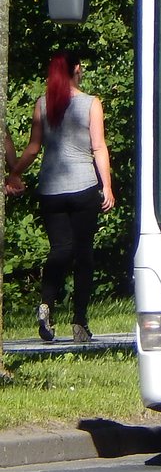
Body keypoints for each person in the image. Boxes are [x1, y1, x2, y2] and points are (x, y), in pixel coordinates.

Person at [12, 51, 116, 343]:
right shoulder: (91, 103)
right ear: (77, 70)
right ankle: (80, 322)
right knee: (83, 254)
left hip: (50, 190)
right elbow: (98, 147)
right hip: (84, 187)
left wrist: (14, 173)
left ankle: (46, 304)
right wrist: (106, 186)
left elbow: (33, 149)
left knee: (59, 249)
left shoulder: (43, 104)